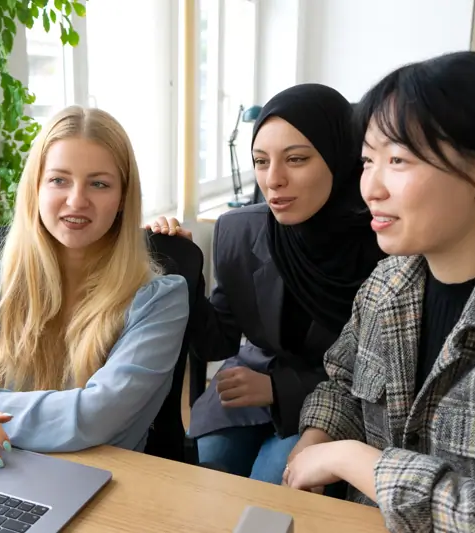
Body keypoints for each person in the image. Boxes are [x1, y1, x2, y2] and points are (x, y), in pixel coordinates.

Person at [284, 51, 475, 532]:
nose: (371, 187)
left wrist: (350, 459)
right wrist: (316, 437)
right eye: (368, 160)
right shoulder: (388, 282)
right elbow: (344, 384)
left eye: (398, 160)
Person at [148, 84, 384, 484]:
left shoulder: (383, 243)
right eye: (260, 161)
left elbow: (375, 372)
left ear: (340, 158)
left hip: (332, 400)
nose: (273, 180)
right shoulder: (240, 230)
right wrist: (182, 272)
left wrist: (280, 388)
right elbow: (217, 342)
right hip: (246, 387)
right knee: (211, 473)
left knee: (272, 481)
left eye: (296, 159)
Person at [0, 106, 189, 468]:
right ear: (36, 189)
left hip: (104, 487)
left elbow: (94, 416)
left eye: (99, 183)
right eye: (59, 180)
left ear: (123, 198)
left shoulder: (160, 301)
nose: (77, 200)